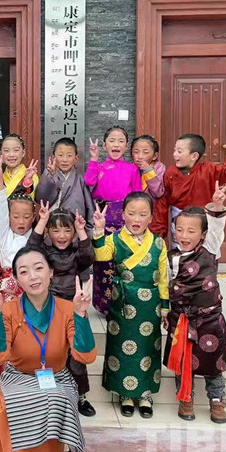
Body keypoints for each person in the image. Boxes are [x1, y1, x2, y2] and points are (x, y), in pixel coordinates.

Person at [0, 246, 96, 452]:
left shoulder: (67, 308)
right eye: (24, 272)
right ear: (17, 279)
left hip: (56, 376)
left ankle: (57, 449)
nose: (33, 277)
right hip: (19, 376)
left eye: (38, 268)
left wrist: (81, 315)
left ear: (51, 272)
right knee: (13, 404)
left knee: (56, 397)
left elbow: (86, 356)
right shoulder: (9, 310)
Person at [92, 193, 169, 419]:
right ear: (123, 214)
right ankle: (124, 393)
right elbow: (101, 257)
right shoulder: (114, 239)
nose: (137, 219)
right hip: (122, 302)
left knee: (147, 347)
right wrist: (99, 230)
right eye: (132, 213)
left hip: (150, 305)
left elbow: (163, 277)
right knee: (121, 347)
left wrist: (165, 306)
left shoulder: (158, 243)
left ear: (151, 217)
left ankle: (145, 394)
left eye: (143, 214)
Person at [164, 182, 226, 424]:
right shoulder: (170, 258)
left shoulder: (210, 249)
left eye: (191, 231)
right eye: (179, 230)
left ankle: (217, 401)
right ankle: (186, 398)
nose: (184, 236)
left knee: (214, 363)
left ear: (203, 234)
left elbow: (217, 226)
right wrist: (166, 312)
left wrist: (217, 204)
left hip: (209, 319)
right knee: (182, 361)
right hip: (181, 318)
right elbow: (167, 287)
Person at [28, 203, 95, 417]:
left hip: (73, 308)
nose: (62, 235)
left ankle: (80, 395)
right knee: (47, 351)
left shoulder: (76, 253)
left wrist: (82, 231)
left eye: (67, 230)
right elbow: (31, 247)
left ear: (73, 232)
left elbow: (88, 257)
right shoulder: (44, 253)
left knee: (76, 354)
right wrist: (42, 221)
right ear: (48, 232)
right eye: (56, 230)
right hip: (48, 308)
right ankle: (47, 394)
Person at [150, 133, 226, 245]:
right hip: (180, 223)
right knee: (180, 252)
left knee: (206, 251)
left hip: (203, 222)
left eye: (179, 151)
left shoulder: (209, 170)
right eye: (175, 150)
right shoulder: (171, 173)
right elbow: (162, 203)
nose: (175, 154)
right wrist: (159, 232)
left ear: (194, 156)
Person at [85, 127, 143, 315]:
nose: (116, 144)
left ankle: (125, 302)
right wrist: (93, 158)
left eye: (120, 141)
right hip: (102, 220)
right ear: (104, 145)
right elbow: (89, 181)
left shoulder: (132, 169)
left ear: (126, 146)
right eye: (111, 140)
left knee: (124, 260)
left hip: (125, 221)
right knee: (103, 260)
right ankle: (104, 304)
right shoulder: (99, 167)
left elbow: (137, 196)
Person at [0, 156, 34, 301]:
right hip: (8, 289)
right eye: (16, 217)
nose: (21, 221)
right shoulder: (4, 235)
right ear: (9, 217)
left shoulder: (36, 236)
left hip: (33, 285)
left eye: (26, 217)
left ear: (33, 217)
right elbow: (1, 209)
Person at [34, 137, 94, 234]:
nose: (65, 160)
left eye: (69, 156)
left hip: (76, 231)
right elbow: (40, 198)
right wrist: (50, 176)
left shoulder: (80, 180)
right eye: (60, 155)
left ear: (76, 158)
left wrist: (90, 233)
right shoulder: (48, 176)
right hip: (52, 231)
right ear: (53, 157)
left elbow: (90, 209)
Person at [0, 133, 40, 198]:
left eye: (16, 150)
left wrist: (28, 180)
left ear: (23, 153)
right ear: (1, 153)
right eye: (6, 151)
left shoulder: (31, 175)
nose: (11, 155)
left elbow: (30, 198)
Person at [131, 134, 165, 202]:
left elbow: (158, 193)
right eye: (136, 152)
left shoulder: (159, 168)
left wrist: (148, 170)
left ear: (155, 156)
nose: (140, 156)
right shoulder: (130, 168)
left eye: (145, 152)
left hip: (152, 206)